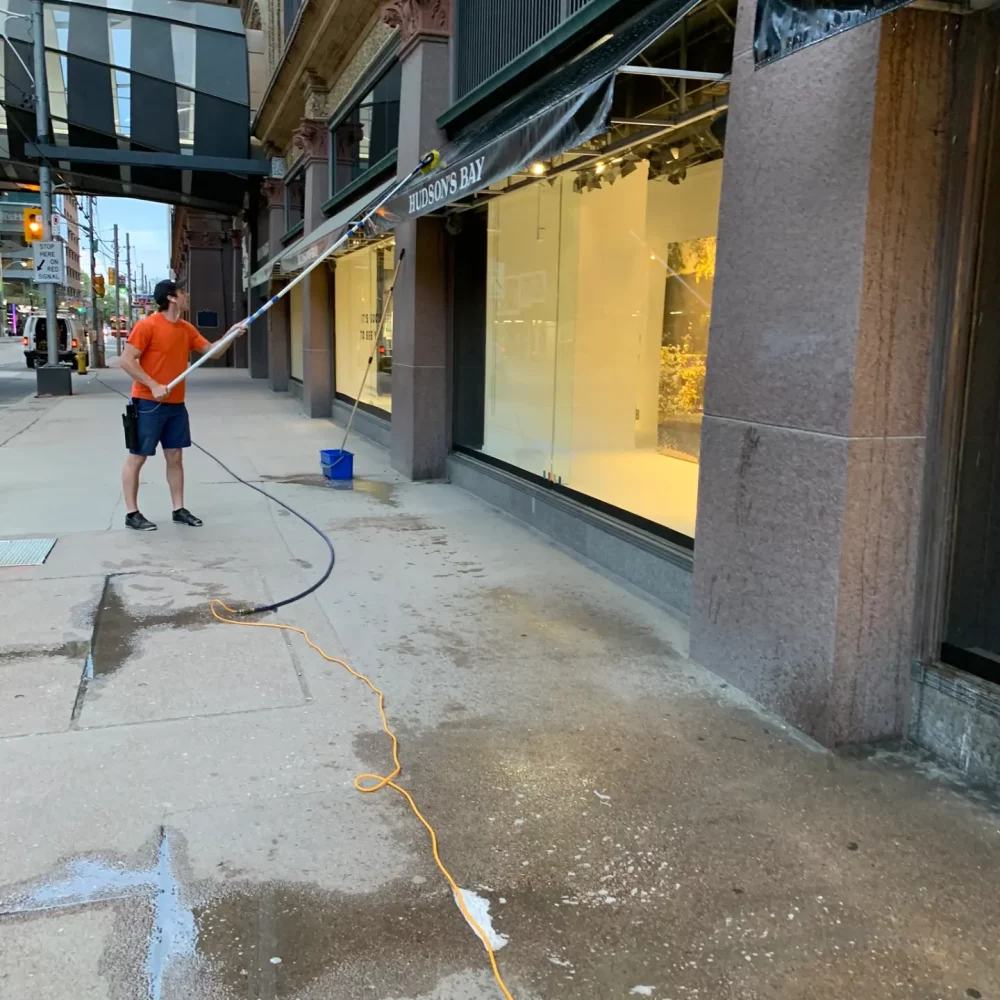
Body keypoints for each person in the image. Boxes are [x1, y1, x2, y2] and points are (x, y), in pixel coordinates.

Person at [118, 279, 244, 531]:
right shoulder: (147, 326)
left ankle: (178, 509)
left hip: (176, 404)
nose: (188, 296)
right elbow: (126, 361)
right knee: (138, 457)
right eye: (183, 292)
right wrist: (153, 385)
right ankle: (132, 514)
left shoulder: (185, 329)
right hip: (148, 403)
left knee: (175, 457)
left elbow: (212, 351)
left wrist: (231, 334)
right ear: (172, 297)